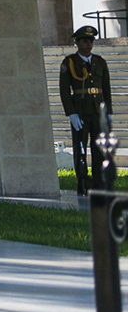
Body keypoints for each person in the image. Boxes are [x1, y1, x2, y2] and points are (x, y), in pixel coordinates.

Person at [60, 24, 114, 194]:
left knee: (99, 150)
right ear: (76, 42)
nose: (89, 44)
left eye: (91, 41)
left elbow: (106, 88)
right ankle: (82, 182)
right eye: (85, 41)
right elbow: (64, 90)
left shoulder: (99, 62)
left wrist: (109, 112)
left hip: (98, 111)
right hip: (81, 111)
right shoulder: (69, 62)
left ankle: (99, 183)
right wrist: (71, 113)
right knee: (80, 148)